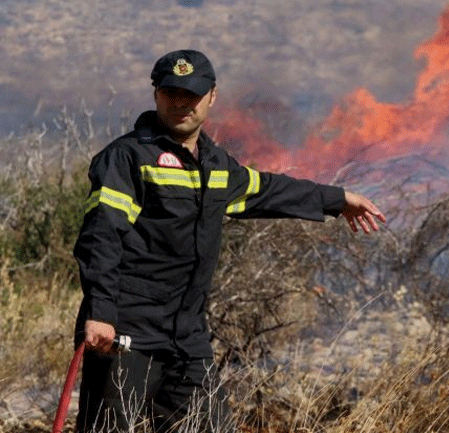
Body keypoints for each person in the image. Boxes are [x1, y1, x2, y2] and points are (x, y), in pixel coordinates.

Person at [73, 49, 386, 433]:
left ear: (212, 96)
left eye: (191, 94)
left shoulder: (215, 165)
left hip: (187, 341)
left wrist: (337, 200)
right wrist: (101, 312)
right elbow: (101, 237)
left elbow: (266, 190)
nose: (181, 103)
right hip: (125, 334)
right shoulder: (127, 158)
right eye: (171, 93)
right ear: (156, 95)